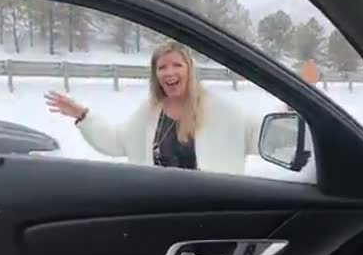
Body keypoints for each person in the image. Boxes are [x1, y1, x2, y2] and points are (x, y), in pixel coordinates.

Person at [45, 41, 264, 175]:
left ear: (190, 70)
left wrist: (292, 104)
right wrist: (82, 115)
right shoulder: (150, 113)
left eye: (177, 65)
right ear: (156, 75)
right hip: (162, 211)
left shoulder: (219, 108)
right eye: (162, 67)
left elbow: (264, 135)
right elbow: (116, 142)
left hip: (211, 214)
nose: (169, 72)